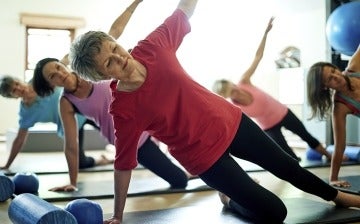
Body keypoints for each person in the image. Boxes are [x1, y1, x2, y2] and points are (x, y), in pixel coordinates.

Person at [69, 0, 360, 223]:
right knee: (274, 212)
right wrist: (118, 214)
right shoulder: (122, 108)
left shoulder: (152, 46)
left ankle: (340, 198)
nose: (120, 57)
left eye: (114, 48)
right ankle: (229, 199)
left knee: (289, 168)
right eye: (109, 63)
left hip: (230, 122)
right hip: (202, 157)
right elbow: (123, 163)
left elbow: (184, 9)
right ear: (100, 76)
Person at [32, 0, 190, 192]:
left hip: (150, 113)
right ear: (51, 84)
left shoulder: (88, 67)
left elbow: (114, 32)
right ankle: (188, 172)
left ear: (62, 63)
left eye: (58, 67)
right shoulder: (66, 102)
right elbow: (71, 145)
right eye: (53, 76)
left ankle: (203, 169)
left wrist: (135, 3)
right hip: (132, 138)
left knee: (194, 149)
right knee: (180, 181)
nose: (60, 74)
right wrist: (73, 181)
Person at [212, 17, 333, 162]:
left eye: (233, 87)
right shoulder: (234, 107)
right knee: (288, 156)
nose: (235, 91)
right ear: (226, 95)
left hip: (283, 112)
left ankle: (331, 157)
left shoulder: (244, 81)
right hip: (269, 127)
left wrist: (265, 34)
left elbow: (257, 57)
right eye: (231, 93)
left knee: (307, 137)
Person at [0, 75, 112, 171]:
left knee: (116, 134)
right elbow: (19, 139)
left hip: (84, 107)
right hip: (71, 124)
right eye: (14, 90)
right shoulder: (26, 112)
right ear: (13, 97)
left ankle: (128, 156)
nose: (19, 88)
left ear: (18, 80)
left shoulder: (39, 81)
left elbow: (58, 71)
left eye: (16, 83)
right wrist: (7, 165)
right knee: (80, 164)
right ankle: (102, 160)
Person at [307, 44, 360, 188]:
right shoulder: (340, 107)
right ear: (325, 86)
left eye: (333, 70)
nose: (337, 76)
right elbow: (339, 146)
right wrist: (333, 178)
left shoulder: (355, 66)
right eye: (330, 79)